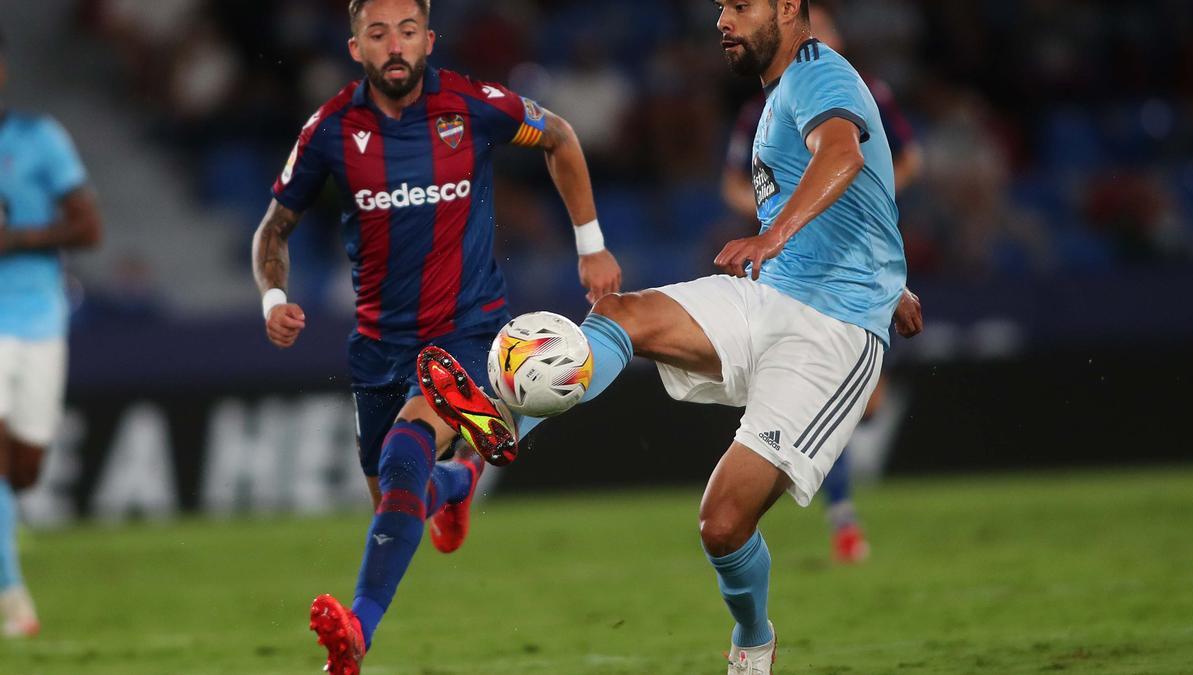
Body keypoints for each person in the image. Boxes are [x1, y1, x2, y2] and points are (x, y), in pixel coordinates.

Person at [419, 0, 922, 671]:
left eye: (740, 6)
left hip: (830, 335)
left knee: (722, 524)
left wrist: (779, 237)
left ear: (790, 9)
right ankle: (501, 433)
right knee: (622, 313)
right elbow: (863, 197)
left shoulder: (815, 74)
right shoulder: (776, 95)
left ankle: (752, 643)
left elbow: (844, 155)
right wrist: (891, 276)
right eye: (720, 6)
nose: (722, 19)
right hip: (774, 296)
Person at [249, 1, 621, 672]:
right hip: (377, 349)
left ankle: (357, 631)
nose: (395, 45)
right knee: (401, 497)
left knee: (406, 444)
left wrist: (590, 245)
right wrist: (274, 297)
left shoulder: (471, 105)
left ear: (429, 39)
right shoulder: (330, 130)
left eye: (408, 31)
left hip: (469, 329)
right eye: (379, 33)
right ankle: (455, 484)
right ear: (356, 46)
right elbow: (274, 229)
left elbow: (561, 136)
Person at [720, 2, 923, 564]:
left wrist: (864, 202)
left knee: (867, 406)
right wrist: (774, 216)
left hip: (855, 257)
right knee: (819, 400)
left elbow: (892, 161)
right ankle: (841, 516)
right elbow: (736, 183)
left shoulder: (857, 89)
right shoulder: (762, 107)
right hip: (799, 265)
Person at [0, 28, 103, 637]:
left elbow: (88, 228)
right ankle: (13, 595)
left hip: (39, 319)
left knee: (25, 469)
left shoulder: (37, 139)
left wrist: (16, 240)